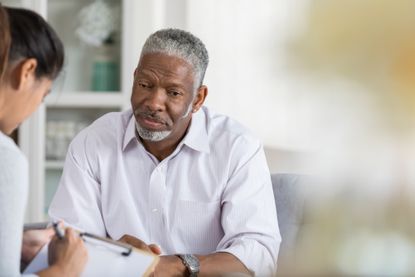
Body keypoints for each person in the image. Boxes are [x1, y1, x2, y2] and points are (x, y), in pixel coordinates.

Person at [49, 28, 280, 276]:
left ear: (198, 99)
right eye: (145, 84)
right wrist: (113, 252)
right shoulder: (93, 142)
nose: (153, 103)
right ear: (134, 78)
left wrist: (175, 265)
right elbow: (65, 241)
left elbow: (259, 253)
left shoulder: (237, 147)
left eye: (173, 92)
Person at [0, 5, 88, 276]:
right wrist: (65, 269)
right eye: (44, 94)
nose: (37, 107)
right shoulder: (5, 158)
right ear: (27, 71)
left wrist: (11, 244)